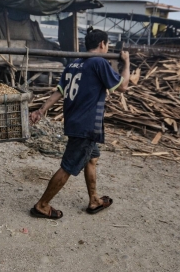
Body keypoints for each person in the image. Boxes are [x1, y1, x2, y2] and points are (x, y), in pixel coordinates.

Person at [29, 28, 130, 219]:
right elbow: (123, 86)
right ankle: (42, 205)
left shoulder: (74, 63)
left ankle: (94, 200)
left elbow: (60, 91)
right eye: (107, 45)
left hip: (75, 121)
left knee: (91, 158)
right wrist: (127, 61)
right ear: (102, 44)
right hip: (87, 124)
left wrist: (41, 110)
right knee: (68, 166)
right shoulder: (99, 62)